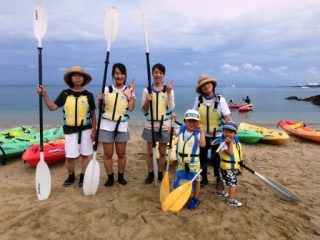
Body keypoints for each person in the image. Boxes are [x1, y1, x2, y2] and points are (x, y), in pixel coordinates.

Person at [37, 66, 97, 187]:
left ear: (84, 78)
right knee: (70, 156)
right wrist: (45, 95)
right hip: (70, 130)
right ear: (71, 78)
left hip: (86, 129)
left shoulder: (89, 95)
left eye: (80, 75)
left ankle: (83, 176)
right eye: (75, 75)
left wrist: (94, 130)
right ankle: (71, 176)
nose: (78, 77)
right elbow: (52, 107)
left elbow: (93, 114)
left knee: (86, 155)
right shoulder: (65, 94)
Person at [98, 63, 136, 187]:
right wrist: (100, 100)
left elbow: (131, 108)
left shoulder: (129, 90)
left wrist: (131, 96)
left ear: (125, 75)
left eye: (122, 73)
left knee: (121, 154)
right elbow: (100, 108)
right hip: (106, 126)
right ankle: (110, 177)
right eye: (117, 73)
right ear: (113, 75)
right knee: (108, 154)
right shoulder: (106, 89)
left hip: (122, 126)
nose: (119, 76)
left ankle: (121, 176)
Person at [192, 74, 232, 187]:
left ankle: (219, 179)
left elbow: (228, 118)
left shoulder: (220, 99)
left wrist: (232, 134)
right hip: (202, 134)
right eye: (203, 85)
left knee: (216, 158)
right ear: (200, 89)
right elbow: (193, 115)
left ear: (213, 85)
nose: (206, 86)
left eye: (208, 83)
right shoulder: (199, 99)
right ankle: (203, 179)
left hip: (218, 134)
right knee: (202, 157)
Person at [141, 63, 175, 184]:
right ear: (152, 74)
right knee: (150, 152)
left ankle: (160, 172)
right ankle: (150, 173)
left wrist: (169, 93)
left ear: (163, 75)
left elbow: (171, 108)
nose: (158, 75)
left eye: (160, 73)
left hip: (164, 125)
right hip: (150, 125)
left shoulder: (168, 90)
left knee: (162, 152)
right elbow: (144, 109)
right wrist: (147, 100)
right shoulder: (147, 90)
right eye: (156, 72)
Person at [173, 109, 205, 210]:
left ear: (198, 123)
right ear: (185, 121)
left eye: (194, 121)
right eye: (189, 121)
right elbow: (172, 132)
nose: (191, 123)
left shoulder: (198, 133)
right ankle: (180, 195)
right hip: (181, 162)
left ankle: (195, 198)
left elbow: (203, 144)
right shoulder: (181, 130)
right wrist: (172, 121)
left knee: (195, 181)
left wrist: (202, 131)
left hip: (194, 163)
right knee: (180, 178)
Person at [215, 121, 243, 207]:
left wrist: (240, 164)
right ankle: (231, 200)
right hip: (227, 167)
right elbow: (230, 153)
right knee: (233, 183)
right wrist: (229, 142)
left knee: (221, 179)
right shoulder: (222, 142)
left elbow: (237, 152)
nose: (228, 134)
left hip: (230, 166)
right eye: (226, 131)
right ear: (223, 131)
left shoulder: (235, 140)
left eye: (231, 132)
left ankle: (219, 192)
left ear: (235, 134)